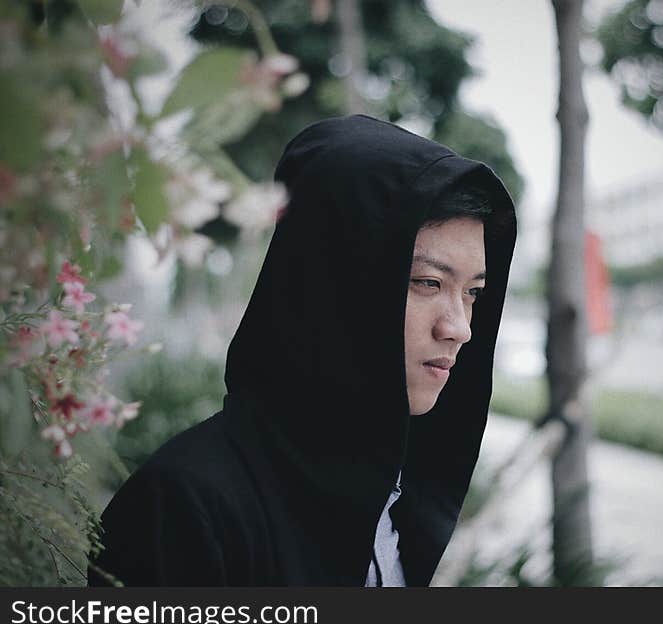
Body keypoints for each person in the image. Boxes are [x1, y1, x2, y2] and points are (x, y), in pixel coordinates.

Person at [88, 114, 517, 586]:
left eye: (473, 293)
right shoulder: (182, 508)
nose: (459, 328)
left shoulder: (395, 503)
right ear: (334, 286)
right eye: (427, 283)